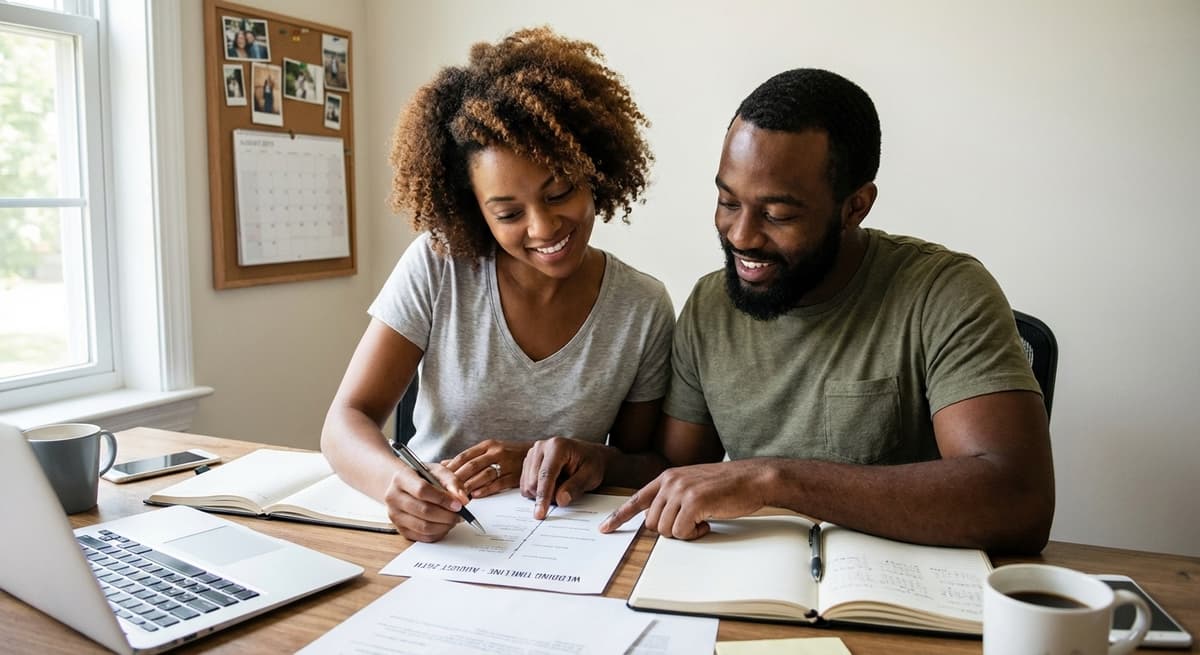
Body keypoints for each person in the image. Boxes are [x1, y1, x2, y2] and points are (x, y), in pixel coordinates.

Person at [530, 68, 1055, 555]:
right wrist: (597, 462)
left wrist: (773, 480)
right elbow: (676, 469)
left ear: (855, 207)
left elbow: (1018, 500)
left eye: (777, 214)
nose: (741, 236)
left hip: (900, 600)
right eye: (728, 202)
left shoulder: (944, 293)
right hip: (757, 582)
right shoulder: (710, 306)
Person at [321, 27, 674, 543]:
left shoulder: (641, 307)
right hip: (441, 537)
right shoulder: (438, 268)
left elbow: (643, 463)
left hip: (565, 545)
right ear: (474, 211)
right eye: (508, 212)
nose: (544, 227)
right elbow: (345, 420)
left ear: (594, 172)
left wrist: (588, 458)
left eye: (560, 193)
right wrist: (398, 484)